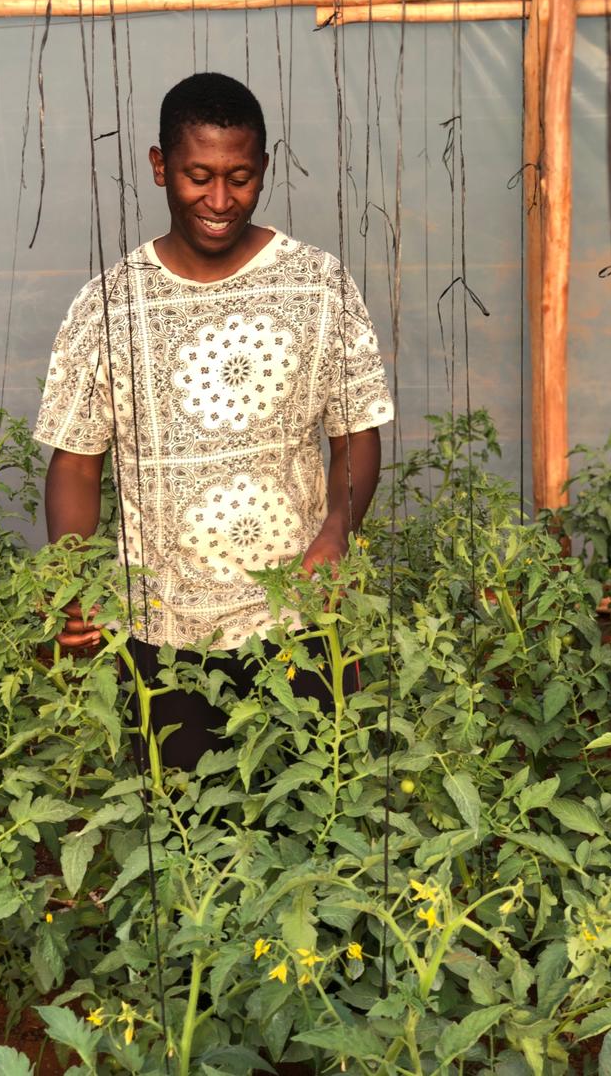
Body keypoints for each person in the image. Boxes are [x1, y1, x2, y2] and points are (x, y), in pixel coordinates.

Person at [34, 72, 394, 770]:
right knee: (184, 834)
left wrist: (336, 532)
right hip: (162, 626)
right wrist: (70, 585)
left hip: (297, 618)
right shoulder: (109, 305)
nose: (220, 200)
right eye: (199, 176)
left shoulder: (317, 284)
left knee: (310, 818)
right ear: (160, 166)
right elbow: (77, 461)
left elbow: (356, 431)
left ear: (264, 168)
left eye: (241, 177)